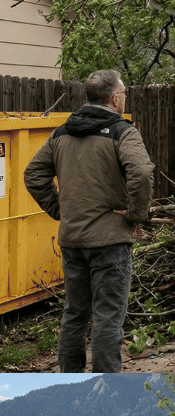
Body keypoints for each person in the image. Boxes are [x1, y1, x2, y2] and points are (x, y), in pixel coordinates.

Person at [24, 69, 154, 372]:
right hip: (110, 241)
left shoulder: (62, 132)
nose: (124, 97)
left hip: (72, 241)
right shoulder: (122, 132)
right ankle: (107, 382)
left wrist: (60, 210)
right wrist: (136, 214)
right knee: (108, 316)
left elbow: (33, 175)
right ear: (115, 98)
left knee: (74, 314)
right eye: (124, 92)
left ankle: (69, 378)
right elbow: (142, 172)